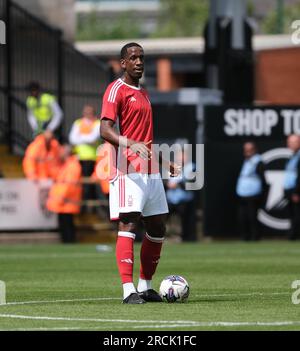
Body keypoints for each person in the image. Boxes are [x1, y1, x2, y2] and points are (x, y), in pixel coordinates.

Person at [100, 42, 180, 304]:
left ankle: (145, 286)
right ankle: (128, 290)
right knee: (129, 222)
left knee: (157, 225)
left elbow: (144, 138)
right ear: (123, 62)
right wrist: (129, 143)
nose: (138, 62)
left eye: (142, 58)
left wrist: (163, 160)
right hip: (126, 167)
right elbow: (105, 130)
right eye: (133, 58)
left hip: (150, 169)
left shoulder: (143, 93)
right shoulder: (116, 90)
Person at [47, 144, 82, 243]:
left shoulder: (72, 165)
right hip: (63, 201)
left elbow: (69, 185)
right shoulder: (66, 164)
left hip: (67, 201)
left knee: (67, 224)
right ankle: (67, 241)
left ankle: (69, 242)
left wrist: (61, 198)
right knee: (64, 223)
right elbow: (54, 174)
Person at [69, 105, 100, 207]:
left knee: (90, 185)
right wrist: (85, 138)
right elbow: (72, 139)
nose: (87, 114)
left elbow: (93, 139)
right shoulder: (78, 123)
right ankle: (82, 206)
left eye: (89, 112)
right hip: (79, 158)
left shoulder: (97, 123)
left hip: (92, 158)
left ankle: (91, 208)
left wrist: (80, 137)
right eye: (85, 112)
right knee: (80, 184)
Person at [236, 142, 268, 241]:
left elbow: (263, 179)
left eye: (249, 149)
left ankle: (255, 236)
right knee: (242, 217)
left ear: (254, 149)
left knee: (252, 217)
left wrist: (263, 194)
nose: (247, 151)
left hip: (253, 194)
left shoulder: (258, 161)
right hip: (242, 193)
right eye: (245, 149)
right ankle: (245, 236)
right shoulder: (246, 161)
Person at [166, 146, 197, 242]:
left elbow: (193, 183)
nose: (181, 158)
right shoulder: (172, 166)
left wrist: (179, 184)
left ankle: (186, 238)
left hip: (185, 200)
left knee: (186, 222)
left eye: (183, 155)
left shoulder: (192, 167)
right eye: (180, 155)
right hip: (171, 199)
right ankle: (165, 236)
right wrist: (167, 184)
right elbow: (167, 181)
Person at [283, 134, 300, 240]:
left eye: (293, 142)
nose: (289, 144)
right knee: (292, 214)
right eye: (289, 142)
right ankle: (293, 234)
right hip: (289, 189)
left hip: (296, 190)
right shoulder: (292, 156)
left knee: (297, 214)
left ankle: (294, 235)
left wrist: (297, 191)